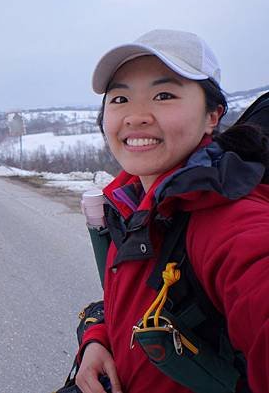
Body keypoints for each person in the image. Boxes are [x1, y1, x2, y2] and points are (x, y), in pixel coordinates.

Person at [75, 29, 269, 393]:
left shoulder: (229, 220)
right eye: (120, 98)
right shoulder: (134, 203)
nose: (135, 117)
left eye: (164, 95)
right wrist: (99, 338)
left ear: (213, 115)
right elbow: (135, 304)